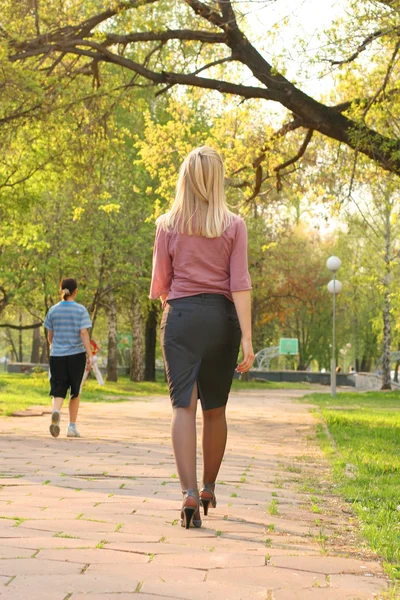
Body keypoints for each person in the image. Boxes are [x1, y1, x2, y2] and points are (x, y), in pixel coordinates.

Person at [149, 146, 254, 529]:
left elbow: (161, 285)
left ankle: (188, 493)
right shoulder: (233, 225)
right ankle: (209, 486)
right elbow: (240, 284)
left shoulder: (167, 224)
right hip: (222, 320)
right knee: (215, 410)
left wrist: (178, 306)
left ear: (185, 178)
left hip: (180, 318)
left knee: (183, 407)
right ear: (218, 179)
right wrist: (247, 338)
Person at [44, 278, 93, 438]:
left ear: (61, 290)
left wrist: (55, 345)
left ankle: (56, 411)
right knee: (75, 391)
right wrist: (90, 354)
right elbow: (83, 333)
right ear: (75, 291)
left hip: (57, 355)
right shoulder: (80, 310)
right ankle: (71, 427)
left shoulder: (53, 310)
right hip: (76, 356)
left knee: (58, 389)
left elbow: (49, 336)